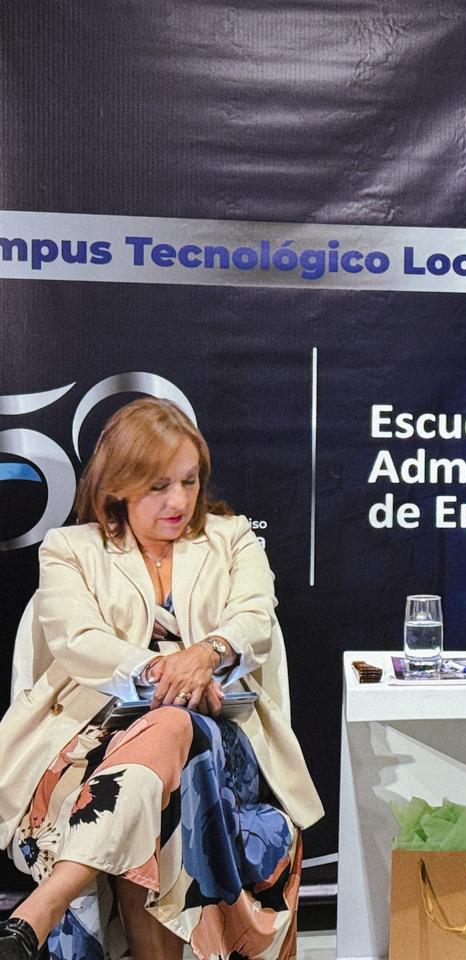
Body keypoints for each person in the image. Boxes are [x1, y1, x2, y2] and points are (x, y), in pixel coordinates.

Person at [0, 398, 323, 960]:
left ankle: (41, 910)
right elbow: (79, 640)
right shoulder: (71, 549)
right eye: (157, 486)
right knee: (165, 756)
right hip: (92, 738)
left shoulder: (232, 538)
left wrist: (209, 651)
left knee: (177, 727)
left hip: (223, 743)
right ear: (117, 485)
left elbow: (254, 618)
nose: (178, 501)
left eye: (189, 482)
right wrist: (162, 671)